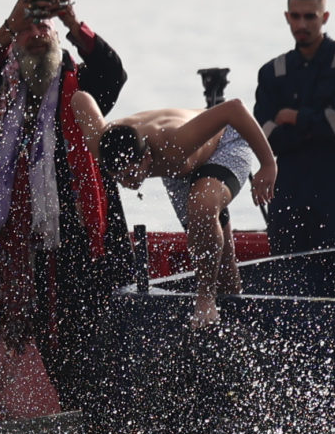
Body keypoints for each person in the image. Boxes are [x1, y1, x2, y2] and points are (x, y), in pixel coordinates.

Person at [0, 0, 130, 419]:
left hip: (82, 239)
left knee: (88, 337)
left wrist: (73, 22)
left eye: (44, 28)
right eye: (27, 30)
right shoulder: (4, 94)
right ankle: (75, 421)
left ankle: (98, 425)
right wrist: (9, 25)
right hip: (24, 241)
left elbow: (113, 72)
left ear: (58, 40)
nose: (36, 35)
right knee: (52, 340)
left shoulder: (81, 88)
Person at [91, 98, 277, 328]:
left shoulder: (174, 141)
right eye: (118, 178)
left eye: (130, 175)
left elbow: (235, 108)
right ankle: (233, 320)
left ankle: (205, 299)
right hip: (179, 169)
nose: (126, 184)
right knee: (220, 262)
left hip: (224, 142)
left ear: (147, 157)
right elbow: (80, 99)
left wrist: (268, 164)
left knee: (202, 206)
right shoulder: (101, 145)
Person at [252, 0, 335, 258]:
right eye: (295, 16)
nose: (301, 24)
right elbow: (264, 137)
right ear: (287, 17)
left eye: (310, 16)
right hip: (289, 194)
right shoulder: (272, 72)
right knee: (287, 278)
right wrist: (318, 123)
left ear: (324, 17)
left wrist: (294, 117)